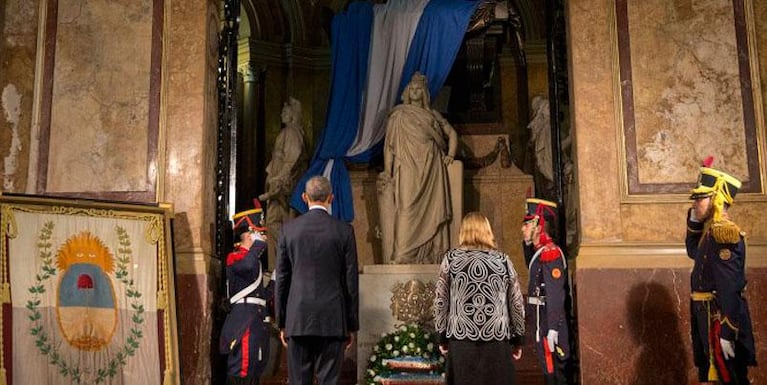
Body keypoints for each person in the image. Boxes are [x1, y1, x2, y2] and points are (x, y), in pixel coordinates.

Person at [275, 175, 359, 385]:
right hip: (332, 319)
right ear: (331, 197)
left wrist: (282, 322)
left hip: (298, 318)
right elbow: (351, 282)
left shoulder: (288, 230)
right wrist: (351, 324)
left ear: (304, 197)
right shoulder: (344, 230)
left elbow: (282, 280)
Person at [433, 212, 525, 385]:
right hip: (496, 339)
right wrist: (518, 338)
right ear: (488, 231)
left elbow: (440, 300)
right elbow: (516, 302)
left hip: (461, 339)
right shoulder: (503, 260)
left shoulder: (451, 260)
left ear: (462, 232)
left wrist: (441, 336)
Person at [686, 159, 756, 384]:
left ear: (716, 199)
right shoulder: (710, 233)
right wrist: (695, 221)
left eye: (701, 198)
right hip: (705, 315)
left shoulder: (724, 233)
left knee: (731, 377)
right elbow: (693, 252)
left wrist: (728, 331)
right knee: (711, 375)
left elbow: (729, 287)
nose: (695, 203)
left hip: (718, 317)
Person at [378, 71, 458, 264]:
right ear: (407, 91)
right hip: (406, 166)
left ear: (424, 93)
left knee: (433, 210)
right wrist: (387, 172)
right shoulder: (398, 115)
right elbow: (389, 147)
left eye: (418, 89)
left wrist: (450, 154)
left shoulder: (432, 114)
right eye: (411, 88)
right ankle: (402, 253)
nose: (414, 92)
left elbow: (451, 133)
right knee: (405, 207)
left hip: (431, 168)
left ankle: (431, 252)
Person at [219, 201, 272, 385]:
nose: (263, 237)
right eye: (259, 233)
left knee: (255, 368)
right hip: (244, 321)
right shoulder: (236, 257)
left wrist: (275, 281)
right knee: (242, 368)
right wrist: (257, 246)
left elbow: (260, 297)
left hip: (256, 320)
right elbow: (248, 266)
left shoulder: (254, 260)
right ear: (249, 235)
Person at [521, 198, 571, 385]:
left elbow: (556, 294)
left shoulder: (551, 253)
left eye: (527, 224)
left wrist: (553, 328)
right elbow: (531, 263)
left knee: (556, 373)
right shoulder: (540, 251)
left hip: (549, 321)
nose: (523, 229)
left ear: (539, 226)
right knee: (548, 370)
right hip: (540, 319)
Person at [259, 97, 307, 250]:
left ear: (293, 114)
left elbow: (292, 159)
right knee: (276, 221)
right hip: (278, 181)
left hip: (282, 185)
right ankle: (280, 262)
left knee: (276, 221)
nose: (281, 114)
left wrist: (279, 178)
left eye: (285, 111)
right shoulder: (288, 132)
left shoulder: (291, 132)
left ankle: (285, 257)